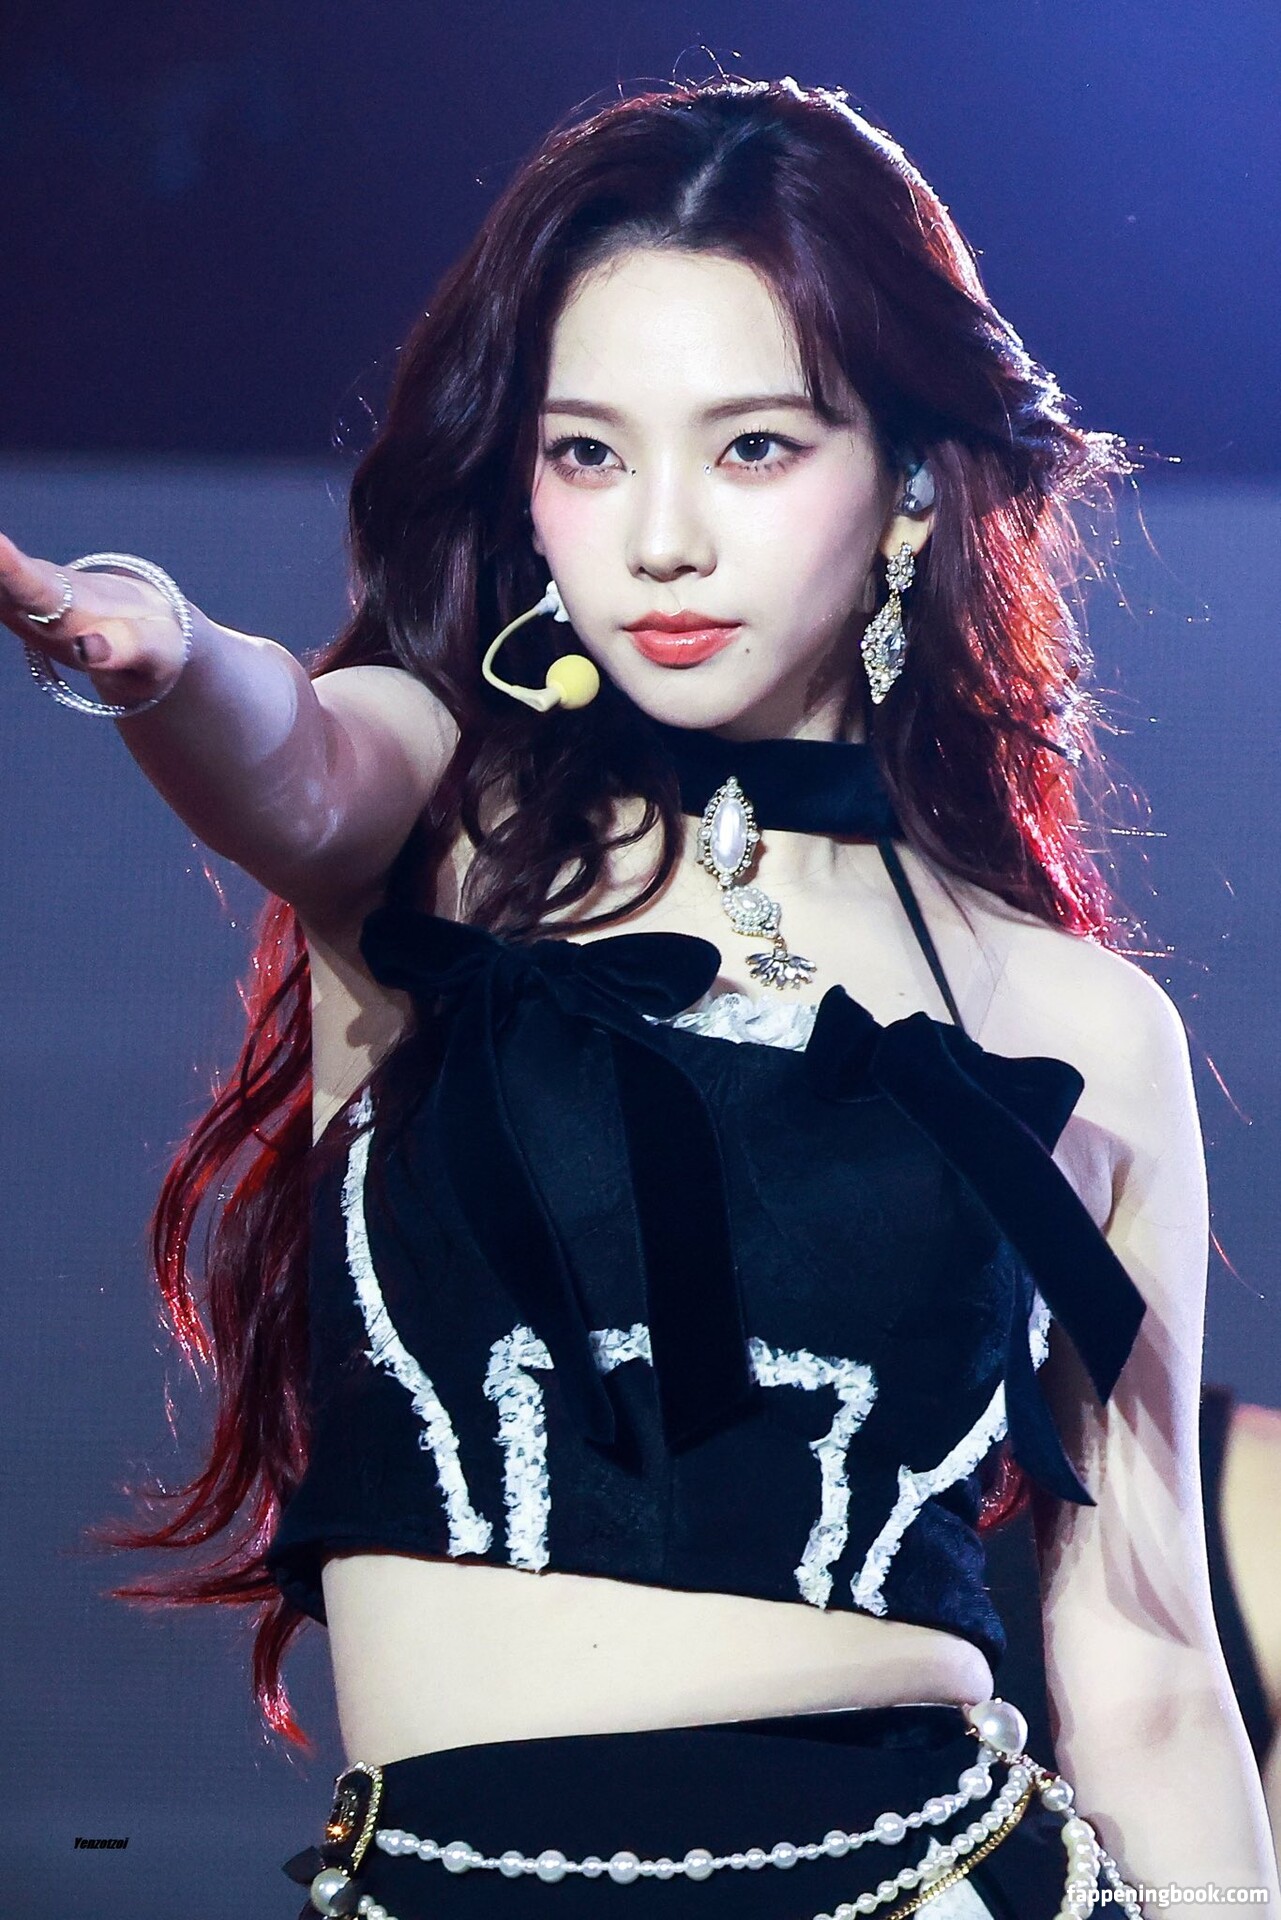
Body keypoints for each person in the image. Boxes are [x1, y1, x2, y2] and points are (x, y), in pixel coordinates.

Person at [4, 73, 1276, 1920]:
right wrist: (158, 648)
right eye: (588, 454)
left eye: (752, 446)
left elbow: (1147, 1660)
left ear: (910, 486)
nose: (661, 535)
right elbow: (288, 750)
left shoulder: (1077, 1022)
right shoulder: (441, 827)